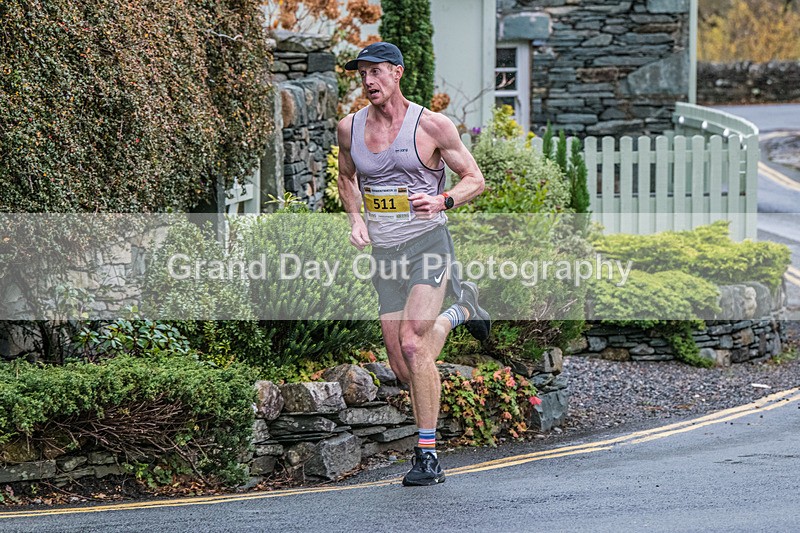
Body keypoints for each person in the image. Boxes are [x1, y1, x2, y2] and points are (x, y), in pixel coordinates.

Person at [336, 42, 491, 486]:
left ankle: (427, 455)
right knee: (406, 366)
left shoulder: (433, 125)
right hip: (385, 255)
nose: (368, 81)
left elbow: (474, 179)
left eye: (376, 72)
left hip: (428, 245)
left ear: (398, 72)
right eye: (362, 74)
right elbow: (347, 176)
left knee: (411, 343)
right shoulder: (349, 128)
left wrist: (442, 199)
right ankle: (462, 311)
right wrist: (355, 218)